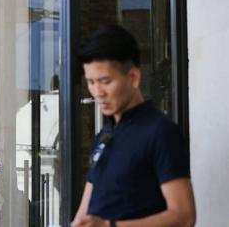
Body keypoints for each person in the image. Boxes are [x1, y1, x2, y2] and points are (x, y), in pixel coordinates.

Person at [71, 25, 196, 227]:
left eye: (105, 81)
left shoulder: (160, 131)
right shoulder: (104, 135)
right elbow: (83, 215)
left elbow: (184, 215)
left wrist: (110, 226)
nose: (97, 92)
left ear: (134, 77)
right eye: (91, 82)